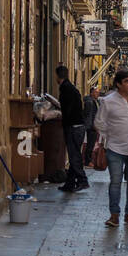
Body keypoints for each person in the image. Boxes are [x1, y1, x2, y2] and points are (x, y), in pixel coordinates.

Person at [95, 69, 128, 228]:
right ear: (118, 84)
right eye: (127, 81)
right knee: (115, 182)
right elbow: (99, 122)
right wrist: (108, 137)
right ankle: (114, 215)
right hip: (115, 148)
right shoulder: (108, 101)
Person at [55, 65, 88, 194]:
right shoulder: (71, 87)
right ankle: (70, 183)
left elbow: (67, 108)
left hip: (73, 126)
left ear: (58, 76)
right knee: (75, 154)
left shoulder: (65, 88)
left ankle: (82, 180)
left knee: (74, 156)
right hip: (78, 125)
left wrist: (65, 121)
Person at [82, 85, 100, 165]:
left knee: (91, 144)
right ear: (92, 93)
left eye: (98, 92)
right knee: (90, 144)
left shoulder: (95, 101)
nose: (98, 94)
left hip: (92, 125)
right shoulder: (90, 102)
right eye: (96, 92)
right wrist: (93, 125)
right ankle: (87, 161)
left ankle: (88, 160)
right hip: (92, 126)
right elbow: (90, 115)